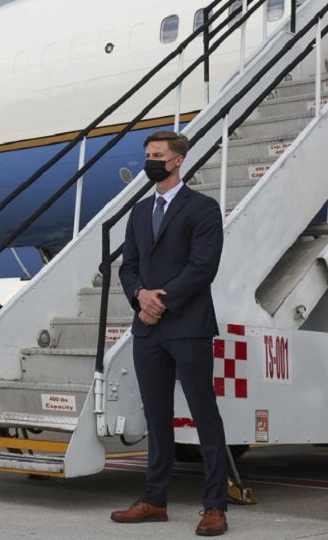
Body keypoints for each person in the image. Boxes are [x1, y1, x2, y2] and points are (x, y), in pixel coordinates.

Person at [115, 131, 228, 536]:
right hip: (147, 331)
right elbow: (127, 266)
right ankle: (154, 500)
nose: (150, 161)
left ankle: (215, 505)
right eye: (147, 155)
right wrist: (139, 296)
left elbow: (203, 267)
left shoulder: (203, 208)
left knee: (204, 415)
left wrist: (161, 301)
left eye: (157, 155)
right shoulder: (140, 212)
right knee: (157, 417)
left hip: (187, 325)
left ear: (178, 160)